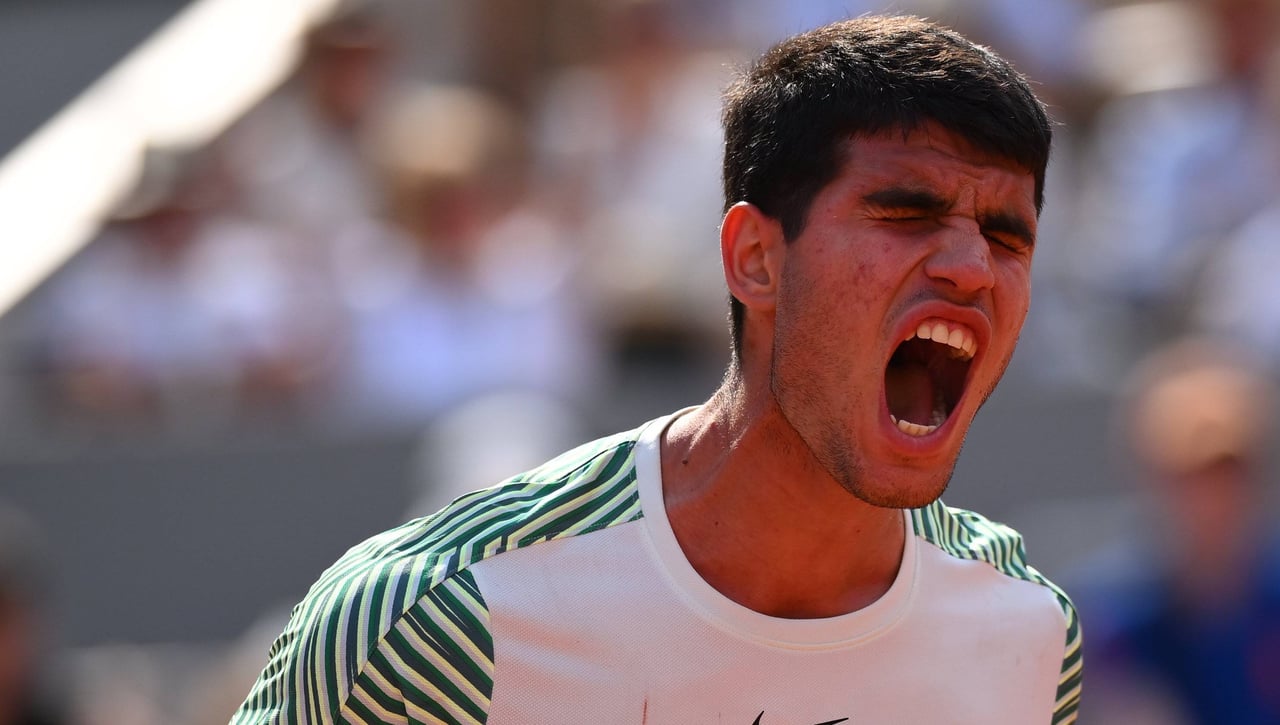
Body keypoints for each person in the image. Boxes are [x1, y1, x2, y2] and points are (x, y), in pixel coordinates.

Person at [231, 16, 1081, 724]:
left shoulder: (1031, 635)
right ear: (755, 259)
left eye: (1008, 236)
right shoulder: (436, 620)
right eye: (905, 212)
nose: (972, 267)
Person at [1078, 339, 1280, 724]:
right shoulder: (1112, 623)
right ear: (1151, 481)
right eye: (1189, 479)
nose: (1211, 501)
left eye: (1228, 475)